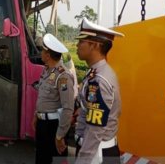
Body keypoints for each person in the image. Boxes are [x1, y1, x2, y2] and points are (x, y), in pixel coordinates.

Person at [74, 18, 124, 164]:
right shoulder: (96, 72)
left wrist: (82, 160)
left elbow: (95, 129)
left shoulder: (100, 79)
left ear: (94, 45)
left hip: (95, 152)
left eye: (81, 41)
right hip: (93, 148)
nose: (77, 45)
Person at [32, 33, 75, 164]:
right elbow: (43, 96)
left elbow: (68, 108)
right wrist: (36, 115)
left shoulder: (63, 76)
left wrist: (60, 135)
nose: (41, 53)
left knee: (55, 159)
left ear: (48, 55)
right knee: (41, 158)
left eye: (42, 51)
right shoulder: (47, 71)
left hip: (54, 127)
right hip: (42, 124)